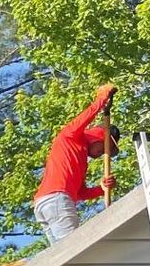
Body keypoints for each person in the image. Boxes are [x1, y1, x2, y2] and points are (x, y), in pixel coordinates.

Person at [33, 83, 117, 243]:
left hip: (45, 203)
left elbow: (80, 193)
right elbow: (86, 116)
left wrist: (102, 189)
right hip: (57, 198)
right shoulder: (71, 136)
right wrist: (101, 99)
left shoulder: (79, 158)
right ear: (101, 135)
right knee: (72, 249)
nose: (104, 154)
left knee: (60, 256)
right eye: (107, 148)